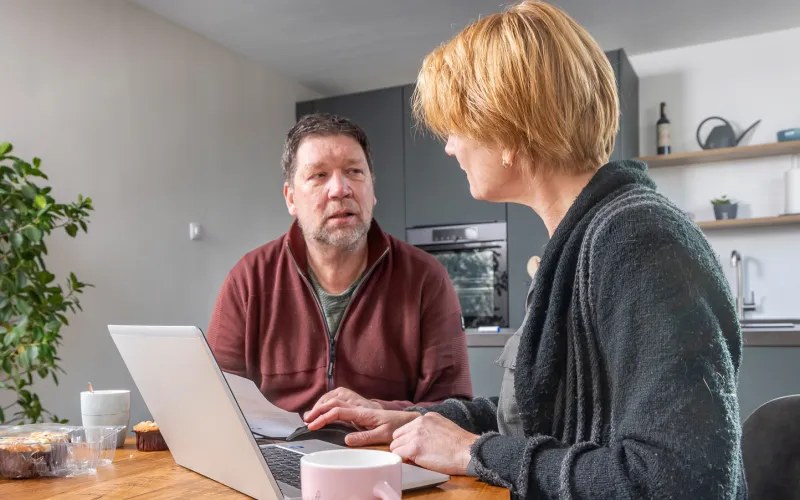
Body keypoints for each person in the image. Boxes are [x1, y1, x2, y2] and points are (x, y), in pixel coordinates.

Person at [303, 2, 747, 498]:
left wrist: (474, 452)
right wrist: (411, 419)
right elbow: (542, 415)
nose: (450, 147)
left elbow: (679, 482)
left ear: (507, 127)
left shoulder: (638, 240)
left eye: (456, 126)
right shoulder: (583, 243)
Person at [206, 113, 473, 415]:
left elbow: (457, 410)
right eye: (319, 175)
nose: (340, 189)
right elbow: (218, 400)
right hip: (278, 454)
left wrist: (380, 412)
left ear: (372, 191)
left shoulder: (426, 278)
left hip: (384, 454)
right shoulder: (249, 280)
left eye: (355, 172)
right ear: (290, 198)